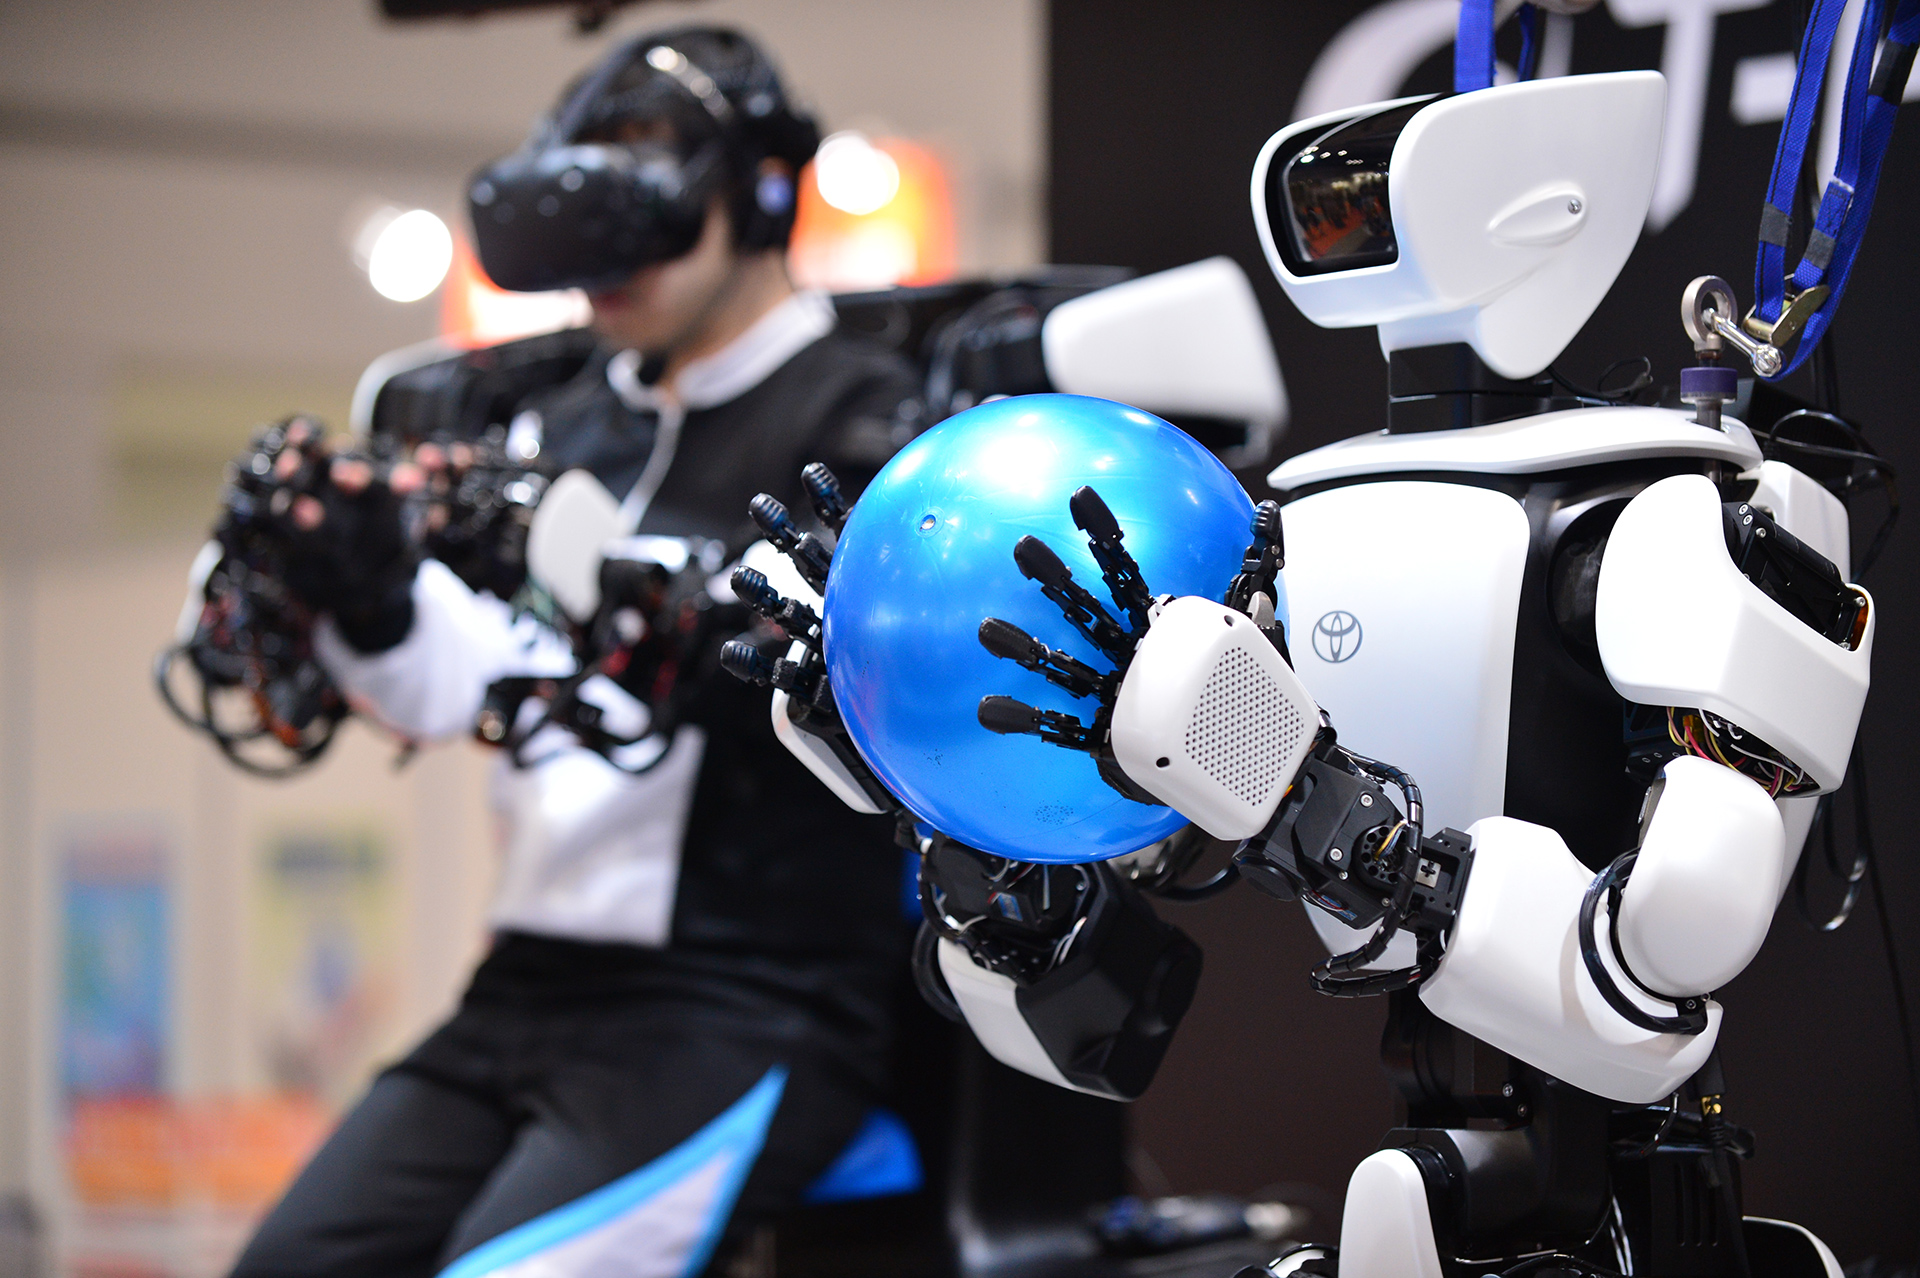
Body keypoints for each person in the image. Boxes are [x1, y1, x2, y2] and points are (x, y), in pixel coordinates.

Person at [228, 26, 923, 1278]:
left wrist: (645, 597)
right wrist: (371, 597)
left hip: (747, 1002)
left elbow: (850, 678)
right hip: (523, 990)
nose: (605, 270)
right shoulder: (562, 424)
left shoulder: (866, 421)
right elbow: (474, 680)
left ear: (762, 195)